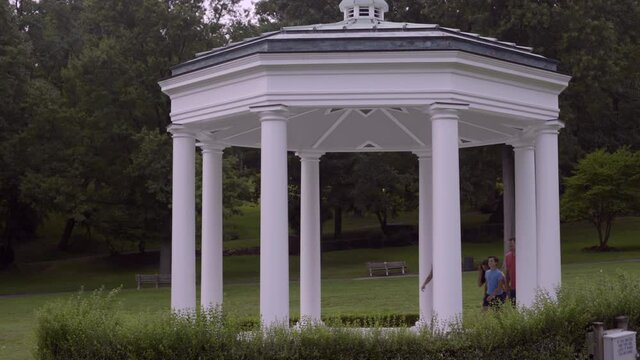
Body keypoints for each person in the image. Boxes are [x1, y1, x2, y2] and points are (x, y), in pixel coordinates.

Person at [505, 237, 516, 305]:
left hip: (523, 287)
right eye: (509, 245)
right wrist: (507, 287)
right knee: (514, 306)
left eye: (511, 245)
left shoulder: (523, 255)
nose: (510, 247)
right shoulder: (508, 256)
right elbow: (507, 272)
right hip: (512, 287)